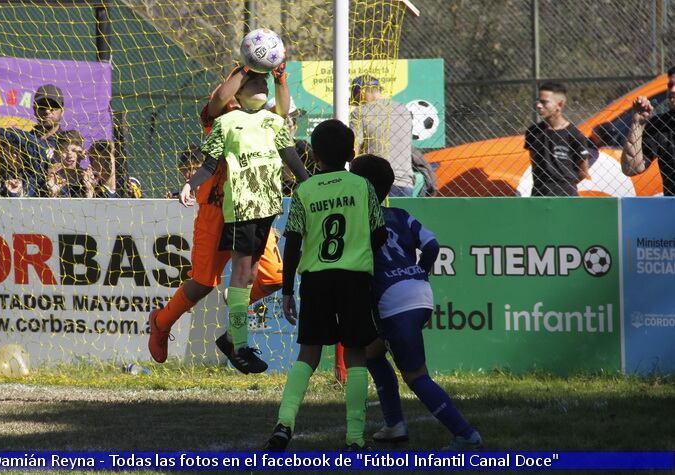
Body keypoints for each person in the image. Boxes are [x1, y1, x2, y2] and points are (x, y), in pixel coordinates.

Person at [147, 64, 295, 367]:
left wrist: (279, 77)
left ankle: (233, 333)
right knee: (202, 283)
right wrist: (245, 67)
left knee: (274, 278)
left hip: (253, 209)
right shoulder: (220, 117)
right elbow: (218, 99)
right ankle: (161, 323)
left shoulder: (263, 119)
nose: (255, 84)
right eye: (247, 80)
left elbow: (282, 112)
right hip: (216, 212)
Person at [264, 120, 386, 451]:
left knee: (308, 355)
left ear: (314, 156)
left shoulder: (305, 191)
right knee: (357, 355)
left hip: (316, 279)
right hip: (354, 277)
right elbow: (379, 233)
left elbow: (291, 242)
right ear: (351, 153)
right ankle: (355, 436)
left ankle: (284, 423)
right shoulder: (363, 187)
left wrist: (288, 288)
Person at [350, 153, 483, 449]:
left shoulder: (357, 221)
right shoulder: (400, 215)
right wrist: (420, 272)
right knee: (372, 353)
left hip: (392, 300)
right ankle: (394, 424)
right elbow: (432, 245)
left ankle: (465, 434)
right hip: (418, 292)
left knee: (416, 376)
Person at [0, 84, 69, 197]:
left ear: (62, 110)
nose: (47, 111)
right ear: (35, 109)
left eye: (53, 106)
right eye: (42, 106)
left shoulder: (66, 143)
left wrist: (2, 131)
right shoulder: (18, 143)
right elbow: (6, 173)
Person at [525, 82, 595, 197]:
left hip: (565, 195)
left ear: (560, 104)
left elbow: (583, 172)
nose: (538, 105)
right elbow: (534, 164)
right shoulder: (533, 132)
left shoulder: (574, 135)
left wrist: (564, 184)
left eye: (544, 102)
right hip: (539, 194)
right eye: (538, 101)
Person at [349, 75, 414, 197]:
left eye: (356, 99)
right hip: (405, 183)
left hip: (374, 183)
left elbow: (354, 149)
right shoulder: (403, 109)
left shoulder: (360, 112)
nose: (357, 104)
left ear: (362, 92)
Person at [621, 66, 675, 195]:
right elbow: (631, 168)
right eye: (670, 85)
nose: (672, 90)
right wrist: (637, 123)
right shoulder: (661, 124)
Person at [46, 130, 93, 198]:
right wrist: (53, 194)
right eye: (64, 150)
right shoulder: (50, 178)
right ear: (56, 153)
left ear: (82, 154)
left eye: (74, 151)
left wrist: (89, 190)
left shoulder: (87, 179)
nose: (69, 155)